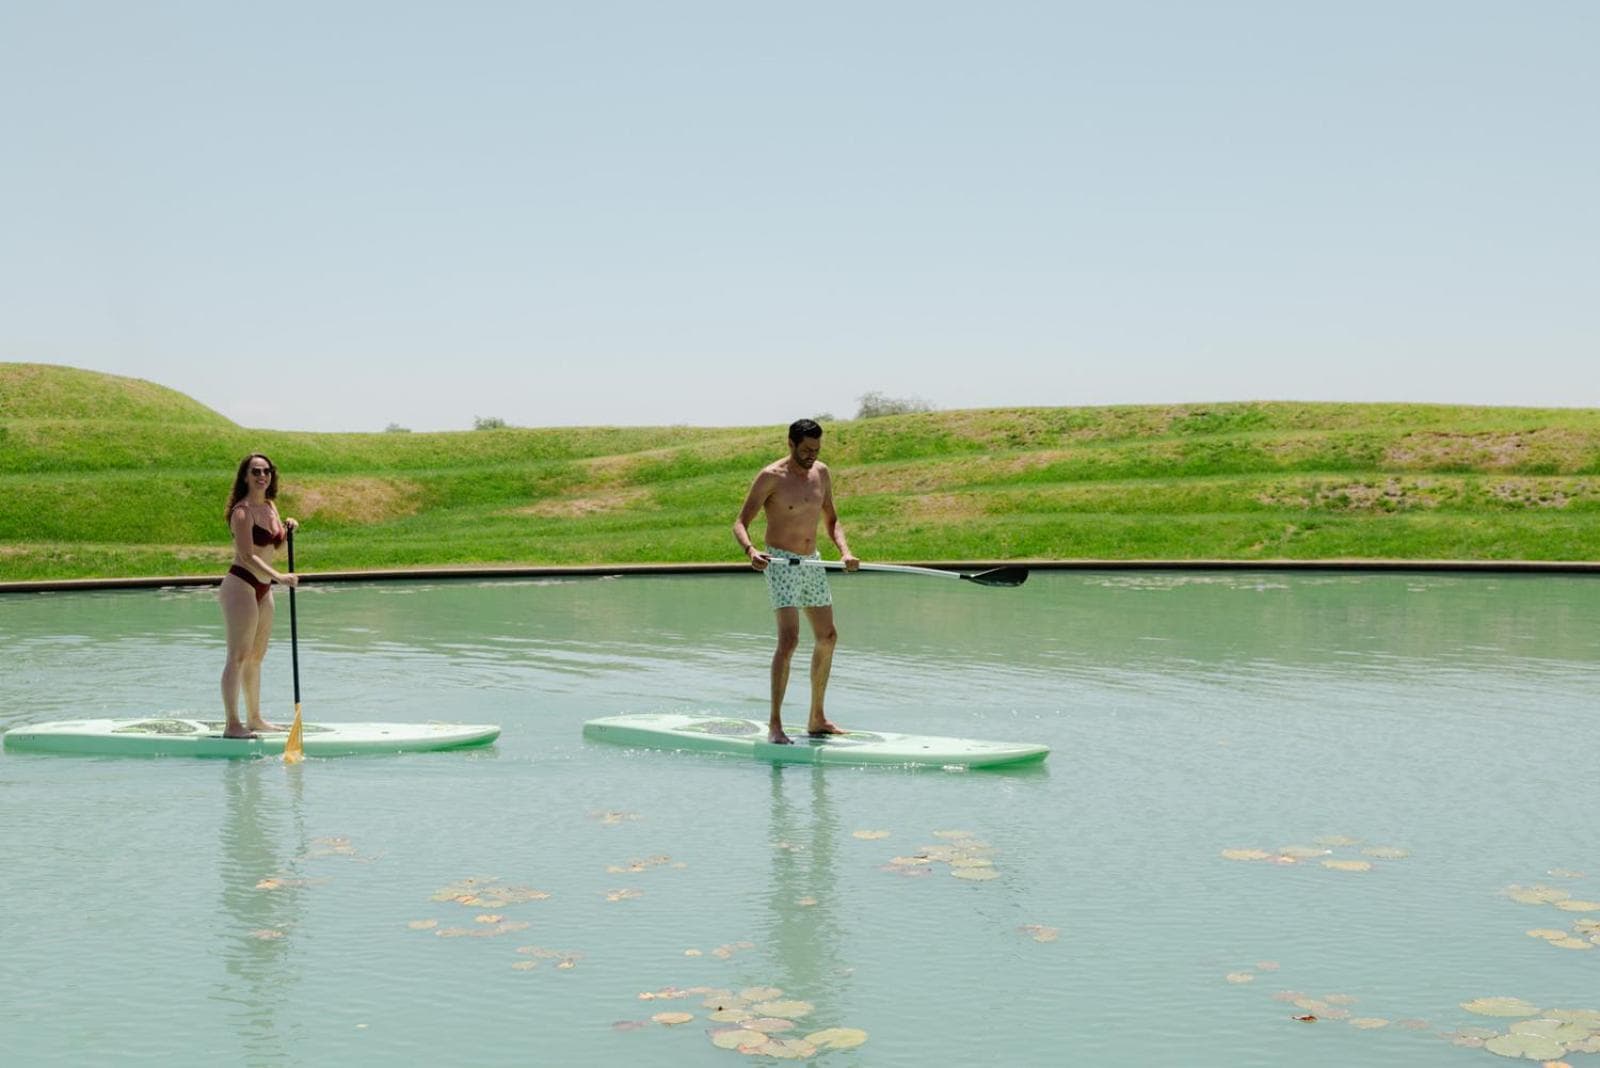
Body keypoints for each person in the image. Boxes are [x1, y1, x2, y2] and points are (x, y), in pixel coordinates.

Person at [733, 419, 860, 744]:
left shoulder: (822, 473)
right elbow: (740, 522)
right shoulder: (770, 477)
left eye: (816, 449)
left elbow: (832, 519)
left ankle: (817, 718)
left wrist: (845, 551)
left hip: (811, 561)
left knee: (828, 636)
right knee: (789, 641)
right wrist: (750, 551)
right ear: (790, 444)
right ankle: (775, 725)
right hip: (779, 562)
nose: (811, 456)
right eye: (805, 450)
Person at [219, 453, 299, 739]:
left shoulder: (270, 507)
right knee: (238, 656)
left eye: (266, 471)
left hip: (264, 589)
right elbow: (247, 555)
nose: (262, 476)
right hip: (241, 585)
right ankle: (232, 724)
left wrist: (288, 530)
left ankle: (254, 719)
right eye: (255, 471)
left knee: (256, 656)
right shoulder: (242, 512)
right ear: (245, 476)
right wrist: (280, 577)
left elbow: (273, 548)